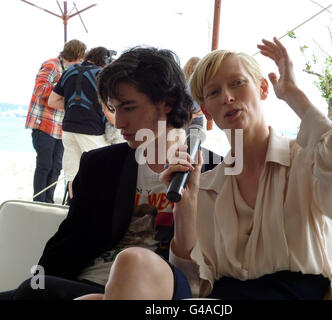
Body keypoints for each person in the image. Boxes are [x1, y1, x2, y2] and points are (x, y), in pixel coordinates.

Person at [158, 37, 332, 299]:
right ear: (206, 110)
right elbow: (192, 285)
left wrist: (294, 94)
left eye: (237, 83)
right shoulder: (207, 185)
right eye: (214, 92)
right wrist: (186, 204)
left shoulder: (306, 161)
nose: (227, 97)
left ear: (262, 88)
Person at [0, 46, 219, 300]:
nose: (118, 123)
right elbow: (66, 242)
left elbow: (212, 268)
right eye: (114, 109)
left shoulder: (215, 171)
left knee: (131, 262)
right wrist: (34, 287)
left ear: (168, 103)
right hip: (87, 284)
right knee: (30, 291)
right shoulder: (100, 165)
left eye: (128, 108)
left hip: (157, 288)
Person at [25, 39, 87, 203]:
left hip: (60, 128)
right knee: (44, 165)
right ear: (77, 55)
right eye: (81, 58)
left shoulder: (72, 70)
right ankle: (39, 201)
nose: (82, 62)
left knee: (56, 167)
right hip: (44, 124)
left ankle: (49, 201)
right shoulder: (52, 65)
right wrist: (62, 89)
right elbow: (40, 89)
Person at [48, 47, 114, 199]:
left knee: (72, 175)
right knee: (99, 173)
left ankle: (74, 208)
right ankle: (93, 209)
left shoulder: (69, 71)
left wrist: (73, 107)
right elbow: (106, 110)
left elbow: (53, 101)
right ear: (104, 62)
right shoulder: (100, 75)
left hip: (69, 129)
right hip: (92, 131)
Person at [183, 57, 205, 130]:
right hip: (197, 119)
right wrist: (196, 114)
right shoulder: (202, 85)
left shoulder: (181, 84)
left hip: (182, 119)